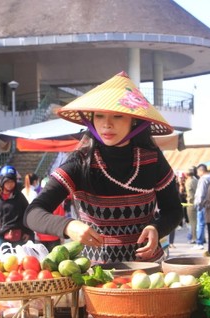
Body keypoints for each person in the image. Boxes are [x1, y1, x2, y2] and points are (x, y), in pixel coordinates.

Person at [24, 71, 183, 264]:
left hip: (147, 269)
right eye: (99, 116)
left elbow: (174, 211)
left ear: (133, 120)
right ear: (91, 120)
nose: (107, 124)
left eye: (117, 116)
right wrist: (68, 226)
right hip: (95, 275)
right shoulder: (79, 162)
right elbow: (32, 213)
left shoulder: (152, 159)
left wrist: (157, 228)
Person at [0, 165, 33, 258]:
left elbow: (27, 214)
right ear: (2, 181)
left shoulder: (20, 197)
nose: (10, 184)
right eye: (7, 181)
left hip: (18, 237)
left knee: (17, 264)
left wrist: (27, 231)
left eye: (12, 181)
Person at [193, 164, 210, 249]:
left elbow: (201, 193)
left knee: (200, 224)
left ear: (201, 170)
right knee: (208, 224)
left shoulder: (203, 179)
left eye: (197, 171)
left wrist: (198, 204)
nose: (197, 173)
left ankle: (199, 243)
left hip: (202, 205)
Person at [185, 167, 198, 244]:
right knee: (197, 222)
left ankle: (194, 238)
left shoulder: (189, 181)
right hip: (196, 202)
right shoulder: (196, 180)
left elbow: (190, 194)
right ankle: (197, 237)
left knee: (192, 222)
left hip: (191, 203)